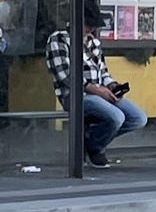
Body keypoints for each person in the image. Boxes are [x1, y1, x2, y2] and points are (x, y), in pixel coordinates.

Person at [47, 13, 148, 169]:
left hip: (100, 92)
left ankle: (91, 140)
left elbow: (103, 71)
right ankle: (96, 149)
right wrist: (95, 89)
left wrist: (112, 86)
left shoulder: (93, 42)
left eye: (94, 26)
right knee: (117, 117)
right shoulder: (59, 39)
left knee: (138, 118)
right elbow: (65, 75)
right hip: (75, 95)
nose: (91, 29)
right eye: (88, 25)